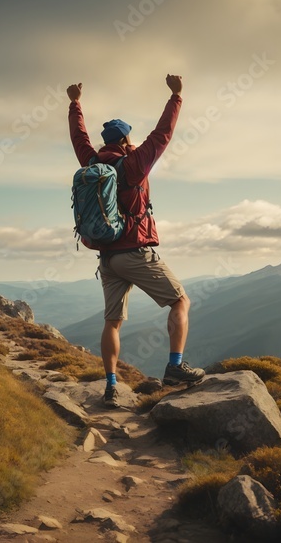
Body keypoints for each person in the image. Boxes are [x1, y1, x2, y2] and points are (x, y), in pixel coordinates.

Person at [66, 75, 204, 408]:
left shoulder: (93, 163)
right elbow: (163, 134)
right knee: (180, 302)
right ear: (127, 139)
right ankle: (174, 366)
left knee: (112, 322)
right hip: (135, 252)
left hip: (107, 259)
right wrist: (176, 97)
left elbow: (79, 138)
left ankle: (112, 386)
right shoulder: (134, 164)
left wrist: (74, 104)